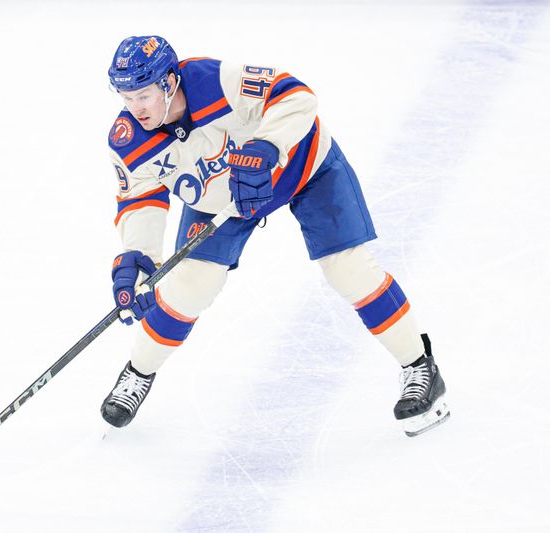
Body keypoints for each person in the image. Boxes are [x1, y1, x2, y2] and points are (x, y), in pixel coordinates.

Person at [102, 35, 449, 437]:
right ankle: (138, 373)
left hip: (304, 168)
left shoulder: (216, 81)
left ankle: (419, 365)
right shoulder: (127, 142)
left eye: (142, 95)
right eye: (126, 97)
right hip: (224, 199)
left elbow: (295, 95)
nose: (134, 108)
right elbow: (140, 199)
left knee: (348, 270)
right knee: (188, 287)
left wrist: (267, 145)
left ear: (169, 82)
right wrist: (139, 257)